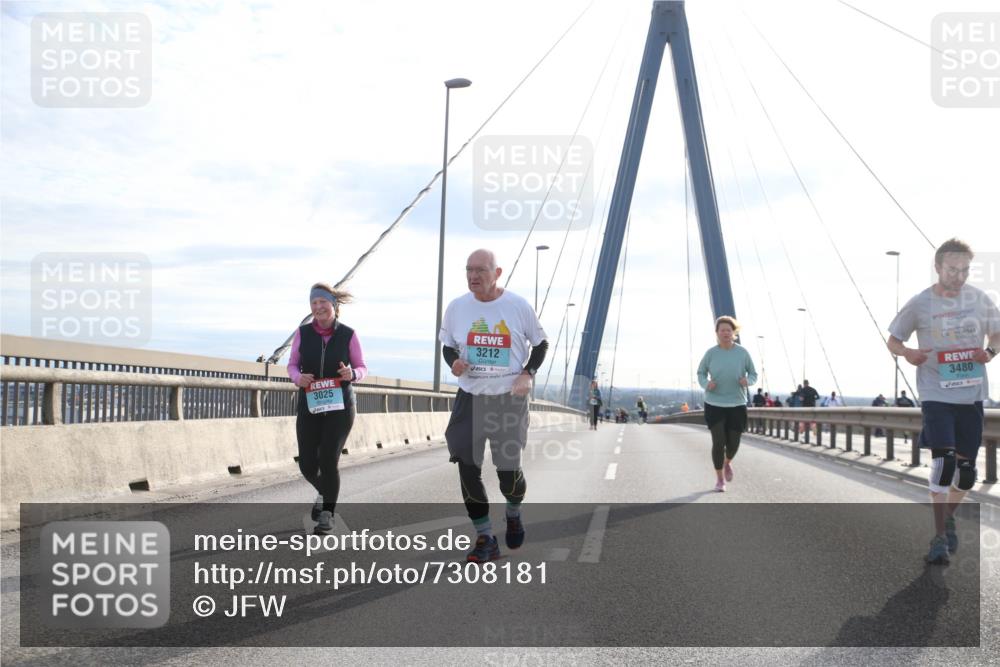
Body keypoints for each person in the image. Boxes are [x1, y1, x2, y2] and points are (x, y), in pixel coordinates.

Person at [887, 238, 1000, 565]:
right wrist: (908, 353)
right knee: (944, 463)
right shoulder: (920, 303)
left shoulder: (980, 300)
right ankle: (938, 536)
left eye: (965, 270)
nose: (959, 275)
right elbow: (894, 339)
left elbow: (997, 333)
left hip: (972, 395)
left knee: (966, 475)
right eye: (953, 269)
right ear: (938, 267)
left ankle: (947, 517)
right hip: (936, 393)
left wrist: (989, 351)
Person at [440, 249, 548, 563]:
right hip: (470, 397)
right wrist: (455, 362)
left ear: (497, 272)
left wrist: (527, 374)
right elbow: (448, 345)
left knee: (508, 475)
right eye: (468, 270)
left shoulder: (517, 306)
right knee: (466, 464)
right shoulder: (457, 307)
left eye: (481, 270)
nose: (474, 276)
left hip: (508, 400)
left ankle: (513, 512)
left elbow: (541, 343)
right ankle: (485, 537)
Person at [288, 283, 368, 534]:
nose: (318, 307)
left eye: (323, 302)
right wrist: (297, 378)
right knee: (308, 464)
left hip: (340, 406)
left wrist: (352, 373)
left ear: (333, 305)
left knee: (328, 459)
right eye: (314, 303)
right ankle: (325, 493)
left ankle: (327, 514)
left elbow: (363, 367)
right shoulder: (302, 333)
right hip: (310, 404)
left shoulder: (348, 334)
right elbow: (292, 365)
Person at [696, 316, 758, 492]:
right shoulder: (711, 353)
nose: (725, 333)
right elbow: (700, 373)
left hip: (737, 403)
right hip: (714, 403)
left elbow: (754, 374)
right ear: (717, 333)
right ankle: (719, 479)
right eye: (722, 330)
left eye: (728, 330)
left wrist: (748, 380)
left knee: (734, 443)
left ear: (734, 333)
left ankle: (727, 462)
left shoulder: (743, 353)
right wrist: (706, 383)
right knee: (718, 442)